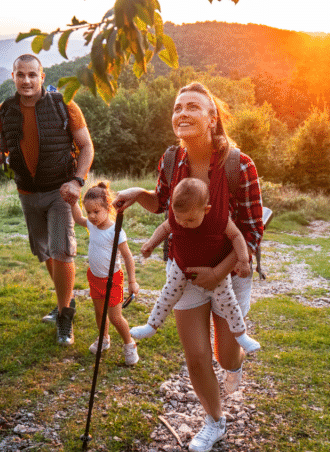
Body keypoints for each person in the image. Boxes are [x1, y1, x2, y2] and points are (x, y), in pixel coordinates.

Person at [114, 82, 265, 452]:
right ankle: (215, 422)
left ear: (212, 118)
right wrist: (138, 195)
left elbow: (252, 230)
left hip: (228, 270)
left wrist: (220, 272)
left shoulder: (238, 165)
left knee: (224, 354)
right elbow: (167, 205)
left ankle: (235, 363)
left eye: (193, 107)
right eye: (177, 107)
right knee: (196, 357)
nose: (182, 113)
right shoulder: (171, 159)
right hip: (184, 271)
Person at [0, 54, 94, 347]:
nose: (26, 81)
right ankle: (63, 300)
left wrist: (77, 181)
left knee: (62, 249)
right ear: (12, 77)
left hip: (60, 191)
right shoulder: (5, 110)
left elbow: (86, 146)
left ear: (42, 77)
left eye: (32, 75)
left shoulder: (64, 105)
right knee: (44, 251)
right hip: (27, 191)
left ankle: (66, 315)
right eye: (21, 75)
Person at [131, 177, 260, 355]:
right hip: (181, 265)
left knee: (228, 302)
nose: (183, 223)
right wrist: (150, 244)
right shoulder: (179, 218)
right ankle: (151, 325)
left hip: (215, 268)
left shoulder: (219, 219)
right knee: (168, 294)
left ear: (206, 210)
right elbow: (163, 229)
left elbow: (237, 237)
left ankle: (241, 335)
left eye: (190, 220)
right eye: (178, 217)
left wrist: (243, 260)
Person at [70, 181, 140, 365]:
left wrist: (132, 282)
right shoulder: (92, 225)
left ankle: (129, 345)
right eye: (89, 212)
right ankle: (104, 339)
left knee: (115, 317)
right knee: (100, 313)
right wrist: (72, 202)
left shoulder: (115, 231)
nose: (92, 216)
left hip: (113, 280)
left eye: (96, 212)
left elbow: (128, 257)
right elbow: (78, 218)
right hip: (94, 277)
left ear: (108, 208)